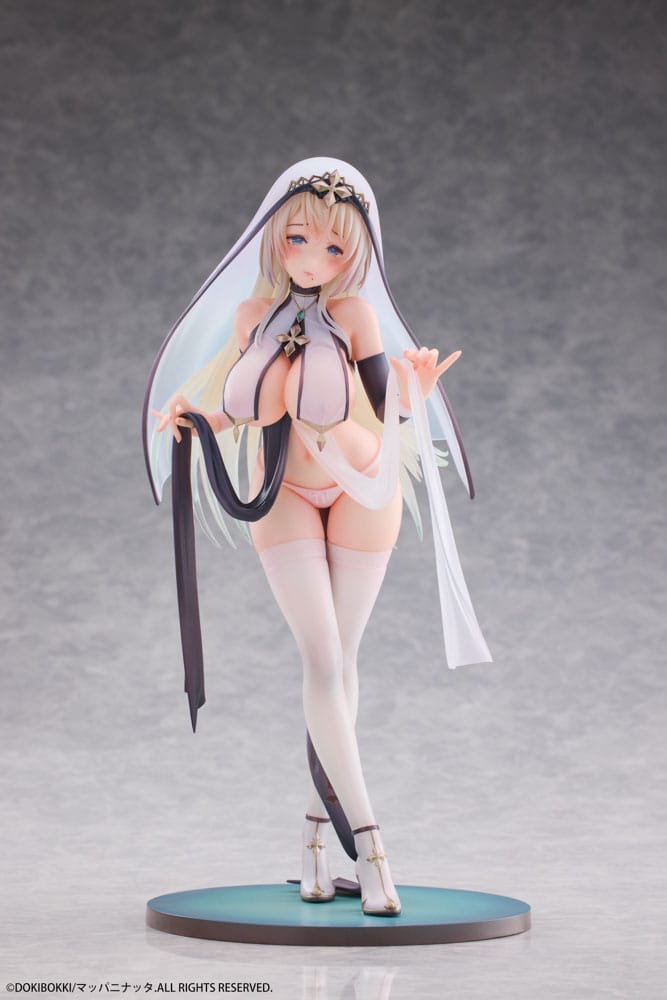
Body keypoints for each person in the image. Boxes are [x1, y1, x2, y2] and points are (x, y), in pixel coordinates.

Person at [144, 158, 491, 917]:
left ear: (354, 255)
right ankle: (369, 844)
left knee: (341, 662)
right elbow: (238, 405)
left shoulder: (357, 316)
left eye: (334, 248)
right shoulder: (251, 317)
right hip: (285, 494)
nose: (312, 258)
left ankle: (311, 840)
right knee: (324, 660)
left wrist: (416, 393)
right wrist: (192, 420)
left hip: (363, 483)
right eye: (298, 239)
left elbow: (383, 404)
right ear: (275, 237)